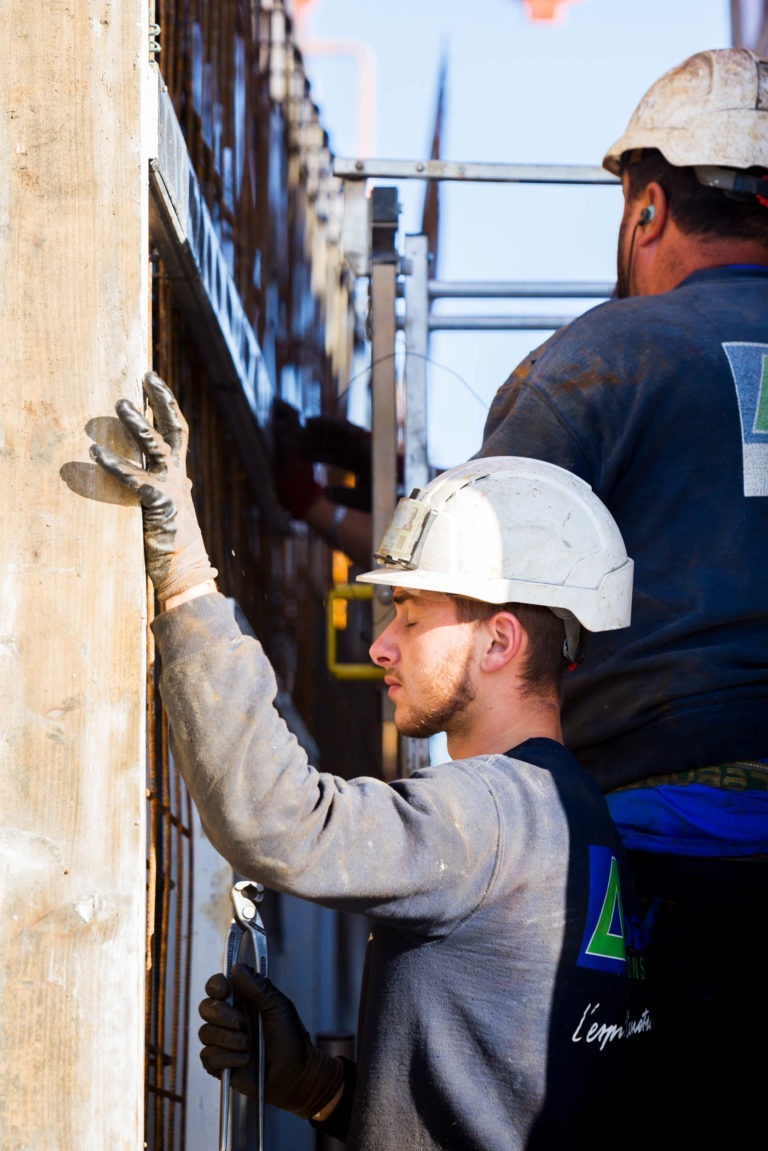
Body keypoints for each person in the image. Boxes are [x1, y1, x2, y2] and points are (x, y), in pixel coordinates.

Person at [273, 49, 768, 1141]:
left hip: (645, 850)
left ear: (647, 207)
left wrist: (344, 515)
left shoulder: (598, 364)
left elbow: (484, 582)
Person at [89, 372, 654, 1149]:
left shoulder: (492, 813)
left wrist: (184, 574)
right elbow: (501, 1106)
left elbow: (282, 822)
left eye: (412, 617)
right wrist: (318, 1088)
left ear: (499, 641)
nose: (379, 644)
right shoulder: (578, 821)